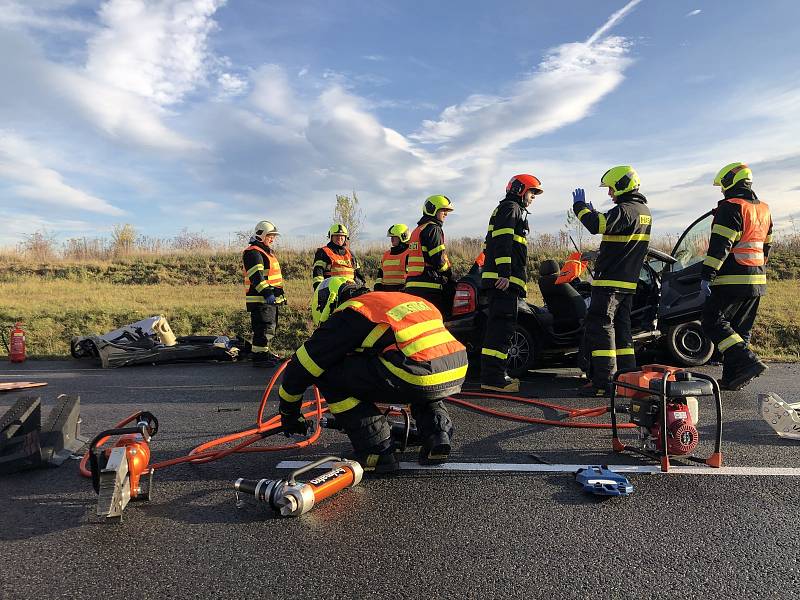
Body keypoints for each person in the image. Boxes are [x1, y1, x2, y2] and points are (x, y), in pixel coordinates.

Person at [277, 277, 467, 472]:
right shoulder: (392, 299)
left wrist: (289, 414)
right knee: (417, 374)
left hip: (417, 372)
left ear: (328, 301)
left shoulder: (353, 311)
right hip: (455, 367)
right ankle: (437, 434)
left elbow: (302, 365)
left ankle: (377, 450)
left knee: (326, 372)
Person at [572, 166, 651, 396]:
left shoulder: (625, 210)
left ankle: (604, 382)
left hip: (610, 282)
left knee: (601, 327)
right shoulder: (642, 210)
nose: (609, 194)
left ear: (621, 185)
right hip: (627, 283)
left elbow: (596, 225)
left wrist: (580, 208)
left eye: (610, 188)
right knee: (622, 329)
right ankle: (627, 378)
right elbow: (621, 241)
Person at [700, 162, 772, 390]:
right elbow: (767, 246)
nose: (722, 190)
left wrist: (707, 274)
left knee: (712, 320)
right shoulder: (763, 209)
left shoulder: (731, 207)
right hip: (757, 278)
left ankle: (747, 361)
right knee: (741, 329)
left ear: (731, 182)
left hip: (732, 277)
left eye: (722, 185)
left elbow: (720, 245)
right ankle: (733, 378)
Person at [479, 174, 542, 392]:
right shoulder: (511, 208)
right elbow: (503, 242)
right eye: (532, 192)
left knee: (499, 329)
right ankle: (494, 379)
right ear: (520, 190)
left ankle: (492, 376)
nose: (533, 197)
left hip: (503, 281)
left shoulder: (508, 209)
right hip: (504, 282)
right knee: (502, 330)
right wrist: (504, 274)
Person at [242, 220, 286, 366]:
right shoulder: (253, 252)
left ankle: (264, 354)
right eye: (269, 235)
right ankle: (260, 359)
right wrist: (268, 294)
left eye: (273, 236)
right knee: (262, 329)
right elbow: (257, 277)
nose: (272, 239)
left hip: (268, 300)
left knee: (268, 328)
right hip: (261, 299)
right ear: (261, 235)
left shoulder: (265, 252)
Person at [404, 195, 455, 314]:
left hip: (412, 286)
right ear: (433, 209)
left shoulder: (417, 231)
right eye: (443, 210)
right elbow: (439, 259)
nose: (446, 214)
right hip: (430, 287)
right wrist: (450, 276)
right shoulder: (433, 228)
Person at [311, 224, 366, 290]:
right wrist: (319, 289)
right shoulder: (323, 252)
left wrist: (362, 288)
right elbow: (318, 272)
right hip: (332, 290)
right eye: (336, 235)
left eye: (342, 236)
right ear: (331, 237)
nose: (339, 238)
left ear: (346, 238)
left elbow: (358, 274)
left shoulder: (350, 254)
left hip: (351, 289)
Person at [374, 224, 410, 291]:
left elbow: (412, 274)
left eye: (394, 237)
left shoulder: (409, 253)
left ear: (403, 236)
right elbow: (380, 274)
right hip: (385, 291)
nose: (391, 239)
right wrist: (377, 286)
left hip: (402, 291)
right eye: (391, 237)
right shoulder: (386, 254)